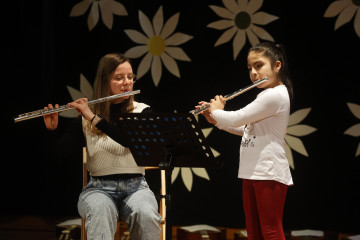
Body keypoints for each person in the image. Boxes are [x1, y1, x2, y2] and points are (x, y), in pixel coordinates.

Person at [43, 53, 162, 240]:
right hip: (98, 189)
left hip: (137, 188)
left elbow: (128, 140)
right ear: (104, 81)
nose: (127, 82)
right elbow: (59, 156)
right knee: (100, 211)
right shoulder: (85, 117)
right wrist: (51, 131)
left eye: (130, 77)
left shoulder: (142, 111)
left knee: (146, 214)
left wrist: (93, 118)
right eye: (119, 78)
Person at [197, 42, 293, 240]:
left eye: (259, 66)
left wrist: (217, 110)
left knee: (271, 231)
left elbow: (238, 117)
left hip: (269, 170)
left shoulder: (274, 96)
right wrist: (215, 119)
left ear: (277, 66)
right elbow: (247, 129)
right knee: (254, 233)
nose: (254, 73)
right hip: (253, 170)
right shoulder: (267, 94)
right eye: (250, 68)